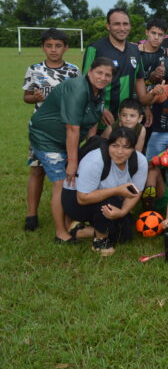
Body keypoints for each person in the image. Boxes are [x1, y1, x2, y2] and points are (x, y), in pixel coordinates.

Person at [28, 57, 113, 243]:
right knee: (62, 181)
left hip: (66, 140)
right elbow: (72, 128)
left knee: (72, 180)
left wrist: (89, 150)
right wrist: (73, 162)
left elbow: (92, 119)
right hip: (47, 138)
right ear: (90, 72)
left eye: (108, 75)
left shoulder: (99, 90)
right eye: (99, 73)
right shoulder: (78, 89)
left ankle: (69, 222)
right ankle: (61, 233)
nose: (103, 77)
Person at [22, 28, 80, 231]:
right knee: (37, 170)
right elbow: (26, 96)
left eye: (58, 46)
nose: (53, 50)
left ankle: (66, 213)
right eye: (49, 46)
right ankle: (31, 214)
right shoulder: (34, 69)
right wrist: (34, 98)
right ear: (43, 47)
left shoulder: (73, 71)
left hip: (66, 129)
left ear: (66, 47)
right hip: (41, 130)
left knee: (65, 172)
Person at [61, 128, 148, 256]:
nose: (120, 152)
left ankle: (79, 230)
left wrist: (122, 212)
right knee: (111, 201)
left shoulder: (140, 161)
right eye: (115, 145)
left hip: (107, 198)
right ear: (108, 144)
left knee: (126, 234)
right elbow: (82, 198)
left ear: (133, 149)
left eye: (126, 147)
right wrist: (117, 190)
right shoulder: (95, 160)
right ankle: (100, 241)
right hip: (76, 200)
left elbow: (136, 191)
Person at [82, 7, 147, 126]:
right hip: (100, 119)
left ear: (130, 26)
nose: (122, 28)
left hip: (126, 119)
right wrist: (100, 108)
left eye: (125, 24)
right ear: (108, 26)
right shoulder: (95, 48)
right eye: (117, 24)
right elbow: (86, 82)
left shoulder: (135, 50)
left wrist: (146, 107)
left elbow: (139, 79)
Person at [138, 18, 168, 92]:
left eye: (160, 34)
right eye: (153, 33)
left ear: (164, 36)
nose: (156, 37)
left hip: (155, 98)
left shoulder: (164, 52)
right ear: (147, 32)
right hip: (133, 97)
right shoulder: (135, 49)